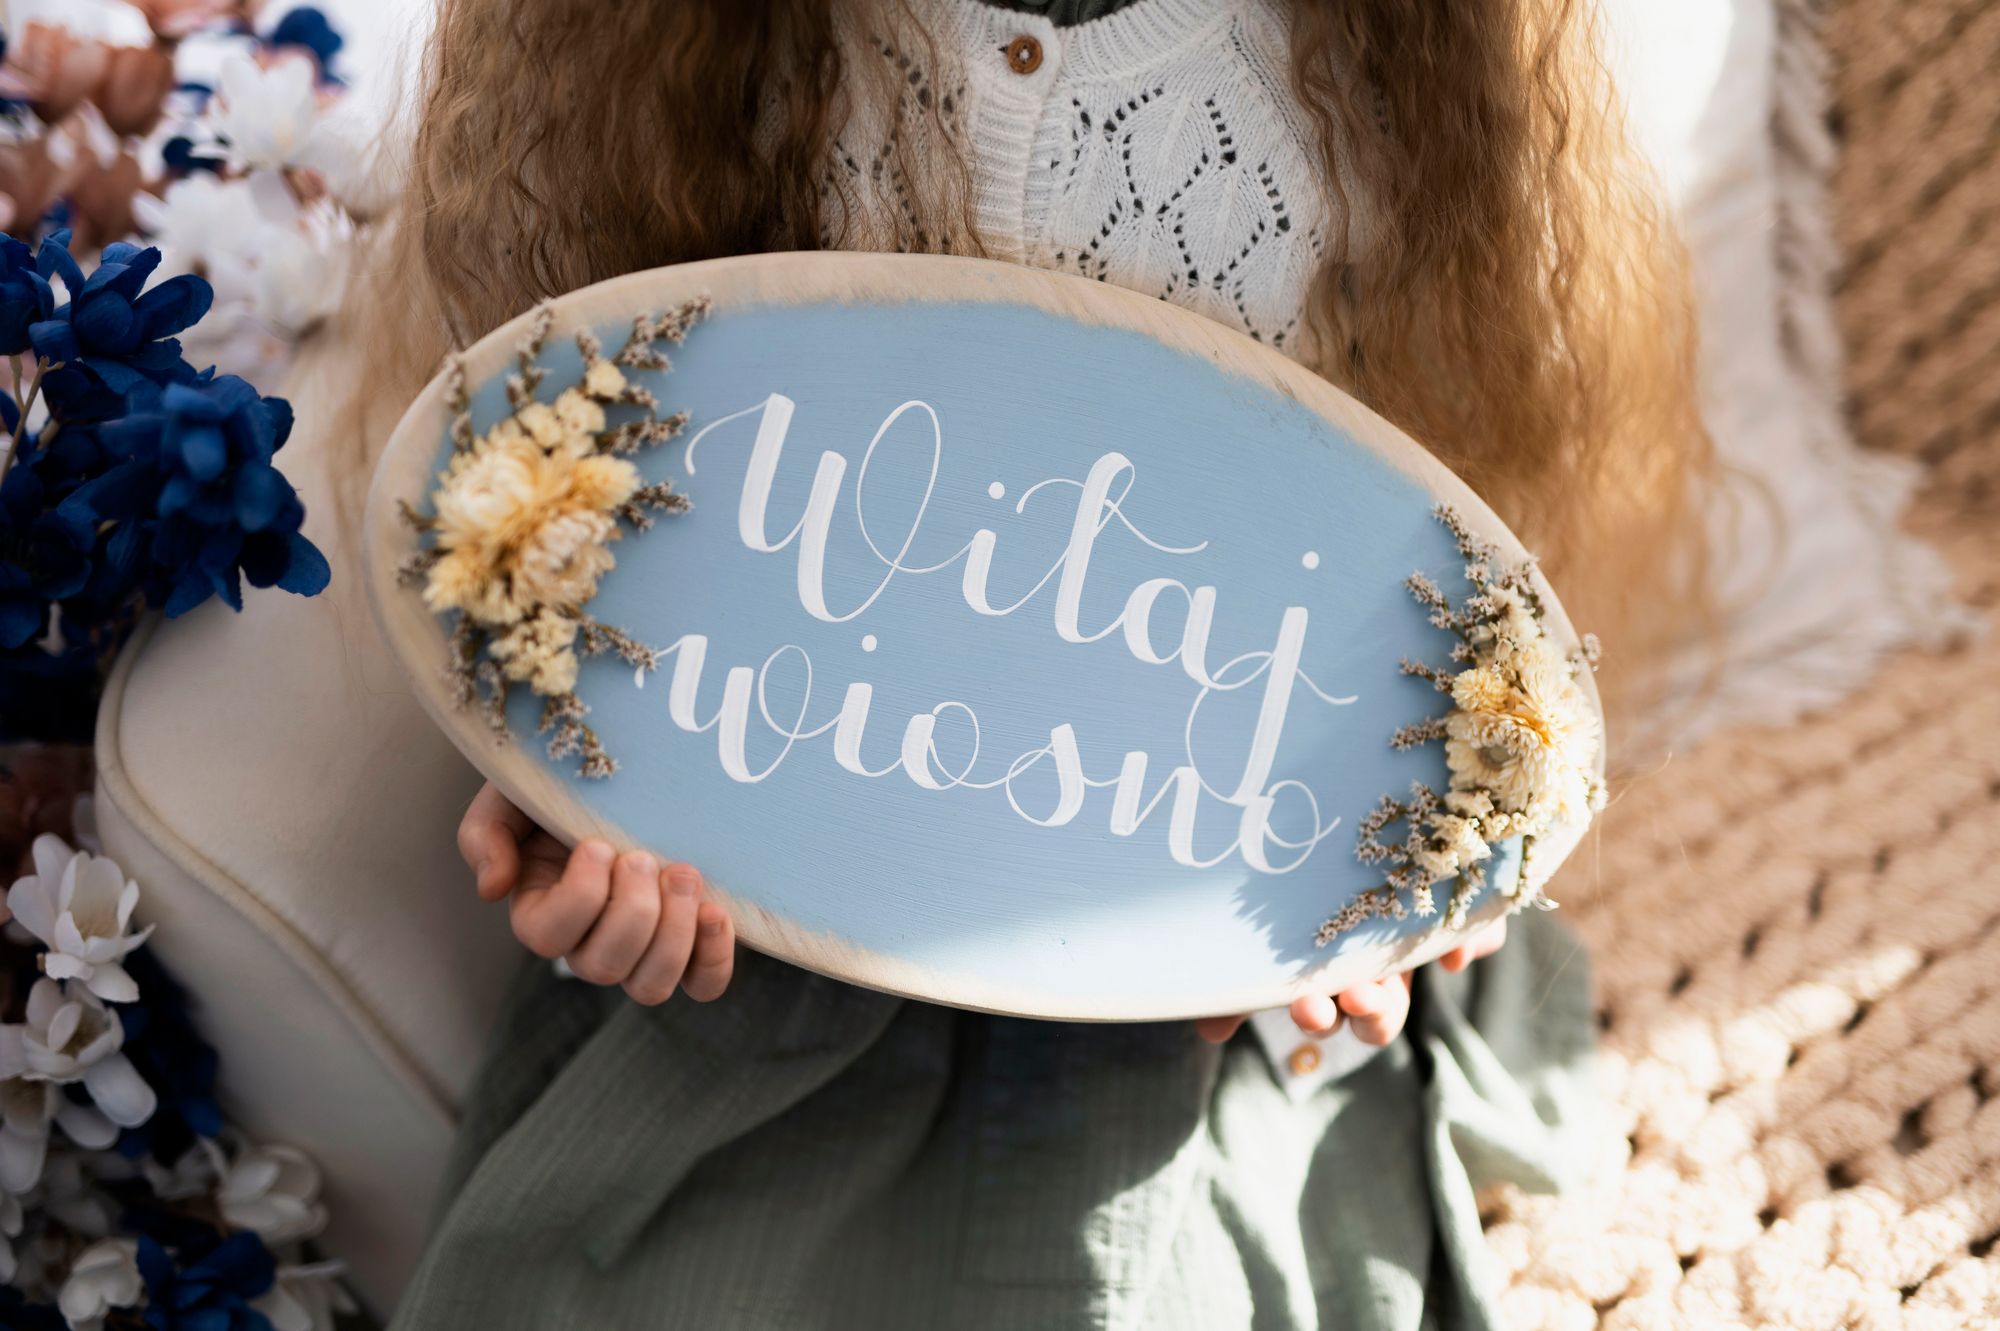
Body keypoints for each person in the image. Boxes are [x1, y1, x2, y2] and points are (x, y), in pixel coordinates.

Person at [374, 1, 1709, 1325]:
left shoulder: (1393, 66)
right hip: (769, 961)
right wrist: (574, 785)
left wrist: (1411, 863)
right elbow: (633, 517)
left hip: (1198, 949)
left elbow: (1411, 574)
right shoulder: (694, 56)